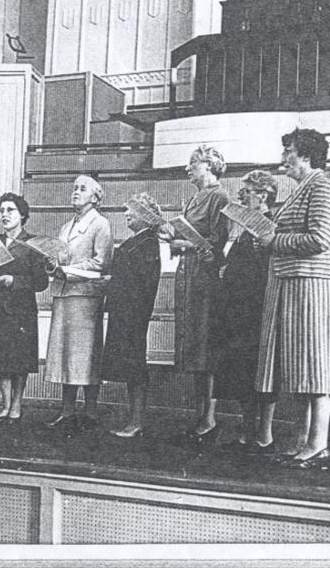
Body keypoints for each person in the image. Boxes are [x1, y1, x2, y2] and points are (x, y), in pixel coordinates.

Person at [255, 128, 330, 470]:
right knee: (299, 365)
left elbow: (321, 239)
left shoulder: (322, 186)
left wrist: (274, 242)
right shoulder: (302, 189)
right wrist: (266, 239)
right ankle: (302, 440)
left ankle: (318, 444)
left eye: (289, 151)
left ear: (306, 154)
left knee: (315, 364)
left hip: (312, 284)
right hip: (292, 283)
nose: (283, 158)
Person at [213, 170, 278, 454]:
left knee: (262, 370)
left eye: (247, 191)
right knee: (240, 369)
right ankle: (247, 428)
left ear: (263, 194)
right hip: (237, 308)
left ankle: (264, 433)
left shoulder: (274, 222)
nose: (240, 195)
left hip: (259, 307)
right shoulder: (240, 226)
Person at [169, 144, 230, 445]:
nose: (188, 168)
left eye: (193, 163)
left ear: (209, 165)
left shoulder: (219, 196)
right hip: (188, 276)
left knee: (206, 345)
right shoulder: (194, 197)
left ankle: (210, 417)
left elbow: (218, 242)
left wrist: (187, 244)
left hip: (205, 278)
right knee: (192, 346)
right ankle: (199, 415)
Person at [44, 175, 112, 432]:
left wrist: (66, 270)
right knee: (66, 355)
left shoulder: (100, 224)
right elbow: (61, 258)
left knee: (86, 355)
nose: (75, 192)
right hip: (64, 295)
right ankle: (67, 410)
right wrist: (52, 265)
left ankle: (91, 412)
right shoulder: (65, 226)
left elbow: (101, 263)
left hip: (85, 297)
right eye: (74, 188)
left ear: (95, 197)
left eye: (82, 189)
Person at [0, 192, 49, 424]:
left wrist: (15, 281)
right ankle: (6, 404)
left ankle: (17, 404)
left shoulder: (33, 244)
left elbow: (41, 283)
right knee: (1, 359)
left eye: (10, 210)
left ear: (22, 215)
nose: (5, 215)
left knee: (19, 360)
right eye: (2, 211)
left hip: (21, 310)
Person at [102, 193, 162, 438]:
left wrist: (110, 283)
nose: (127, 214)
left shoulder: (147, 243)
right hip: (124, 309)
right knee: (131, 366)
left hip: (133, 312)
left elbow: (140, 283)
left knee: (135, 366)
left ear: (146, 216)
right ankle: (133, 420)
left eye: (133, 210)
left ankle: (136, 422)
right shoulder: (140, 241)